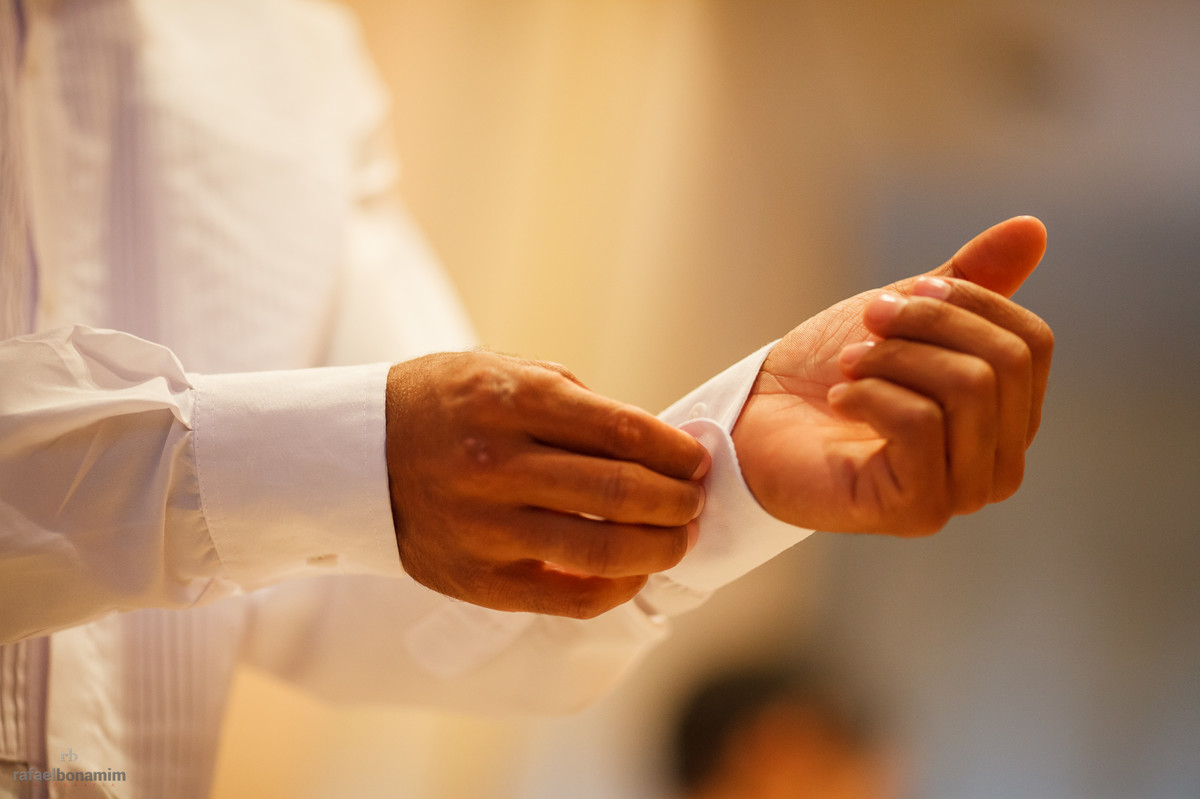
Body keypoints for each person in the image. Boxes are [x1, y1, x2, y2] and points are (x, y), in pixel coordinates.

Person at [0, 1, 1053, 797]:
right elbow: (358, 466)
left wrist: (726, 467)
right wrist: (324, 461)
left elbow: (423, 572)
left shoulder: (297, 59)